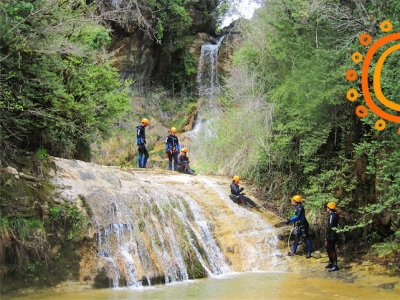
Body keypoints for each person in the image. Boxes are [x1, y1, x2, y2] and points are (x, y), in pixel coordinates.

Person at [325, 202, 339, 272]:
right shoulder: (334, 214)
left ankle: (335, 265)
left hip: (332, 235)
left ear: (329, 208)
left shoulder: (332, 215)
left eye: (327, 207)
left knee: (332, 250)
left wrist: (327, 235)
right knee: (328, 249)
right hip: (332, 234)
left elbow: (330, 226)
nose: (326, 208)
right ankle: (331, 262)